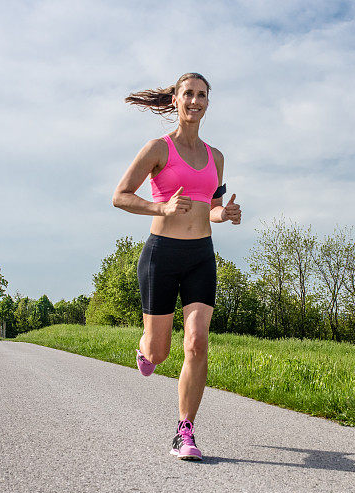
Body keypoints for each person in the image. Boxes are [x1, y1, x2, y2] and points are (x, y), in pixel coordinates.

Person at [112, 72, 241, 461]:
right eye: (189, 94)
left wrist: (225, 212)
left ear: (207, 102)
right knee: (160, 351)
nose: (196, 101)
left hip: (201, 255)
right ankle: (145, 349)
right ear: (175, 100)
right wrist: (160, 207)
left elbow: (211, 205)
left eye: (203, 95)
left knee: (198, 342)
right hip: (162, 255)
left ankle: (185, 430)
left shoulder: (216, 157)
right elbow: (120, 196)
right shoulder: (158, 148)